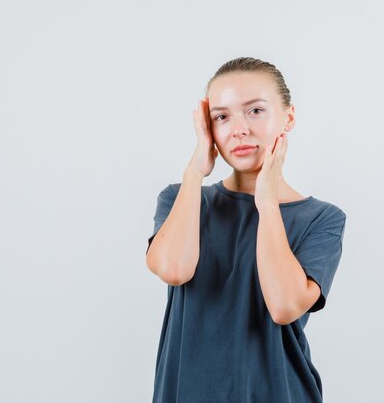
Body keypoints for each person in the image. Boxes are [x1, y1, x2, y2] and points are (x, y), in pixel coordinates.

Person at [145, 57, 347, 403]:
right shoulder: (183, 199)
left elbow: (284, 306)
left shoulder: (321, 219)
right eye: (221, 116)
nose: (238, 128)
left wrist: (267, 203)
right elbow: (174, 269)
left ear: (288, 117)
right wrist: (195, 170)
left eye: (255, 111)